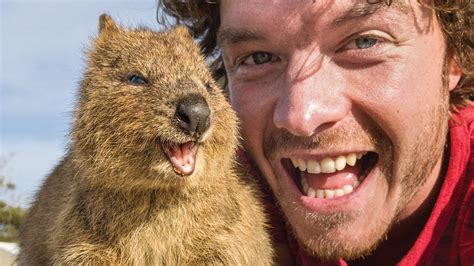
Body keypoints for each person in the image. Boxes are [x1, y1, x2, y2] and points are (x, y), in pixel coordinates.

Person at [159, 0, 473, 265]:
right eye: (258, 58)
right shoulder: (196, 204)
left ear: (453, 56)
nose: (301, 116)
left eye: (365, 41)